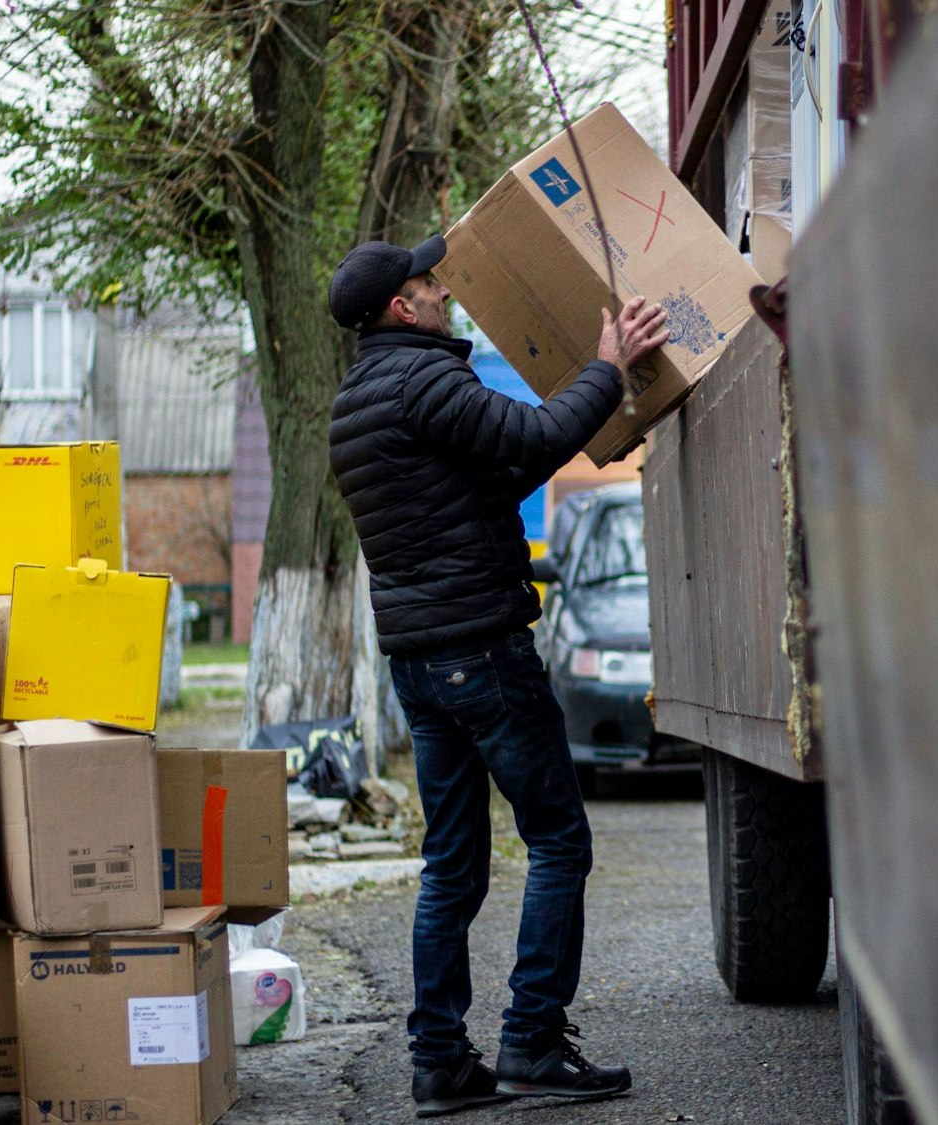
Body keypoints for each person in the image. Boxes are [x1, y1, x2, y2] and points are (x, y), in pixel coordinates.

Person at [325, 235, 669, 1117]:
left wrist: (584, 414)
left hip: (419, 665)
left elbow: (503, 470)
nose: (444, 291)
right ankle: (533, 1043)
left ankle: (438, 1061)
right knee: (558, 839)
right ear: (404, 307)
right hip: (482, 650)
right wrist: (608, 365)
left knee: (451, 864)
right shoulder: (428, 381)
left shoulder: (356, 403)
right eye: (429, 282)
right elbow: (545, 431)